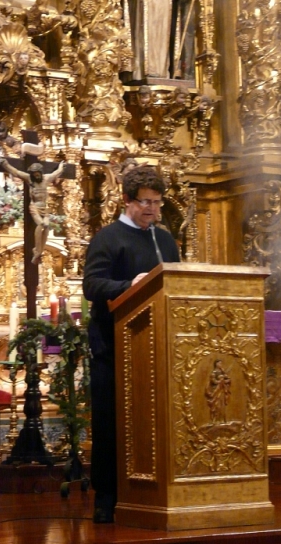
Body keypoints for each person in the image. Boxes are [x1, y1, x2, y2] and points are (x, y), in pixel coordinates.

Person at [82, 165, 180, 523]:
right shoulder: (108, 238)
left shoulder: (164, 240)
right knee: (112, 421)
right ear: (127, 200)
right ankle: (107, 496)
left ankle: (153, 491)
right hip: (114, 345)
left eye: (158, 202)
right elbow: (92, 286)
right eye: (146, 203)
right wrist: (130, 285)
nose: (153, 209)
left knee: (154, 421)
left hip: (157, 346)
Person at [0, 158, 65, 264]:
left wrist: (61, 166)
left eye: (38, 173)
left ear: (41, 173)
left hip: (44, 207)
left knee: (46, 226)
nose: (36, 175)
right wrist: (5, 164)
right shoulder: (29, 179)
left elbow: (57, 173)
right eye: (34, 173)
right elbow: (16, 172)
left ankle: (39, 251)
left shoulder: (46, 179)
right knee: (41, 224)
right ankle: (37, 251)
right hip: (34, 207)